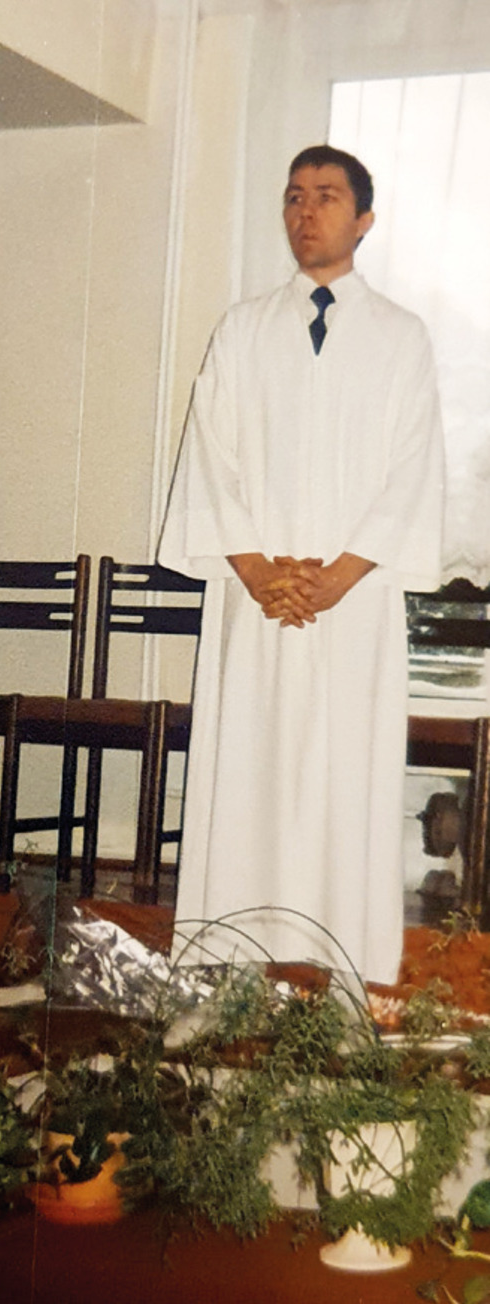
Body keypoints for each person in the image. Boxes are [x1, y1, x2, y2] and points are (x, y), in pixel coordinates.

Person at [159, 145, 444, 984]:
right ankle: (224, 973)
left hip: (353, 604)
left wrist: (337, 576)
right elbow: (211, 456)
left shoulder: (401, 337)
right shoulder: (242, 330)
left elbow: (413, 467)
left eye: (325, 197)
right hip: (258, 603)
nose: (305, 212)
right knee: (246, 773)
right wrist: (256, 573)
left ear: (364, 219)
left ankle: (345, 977)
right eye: (292, 197)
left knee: (344, 780)